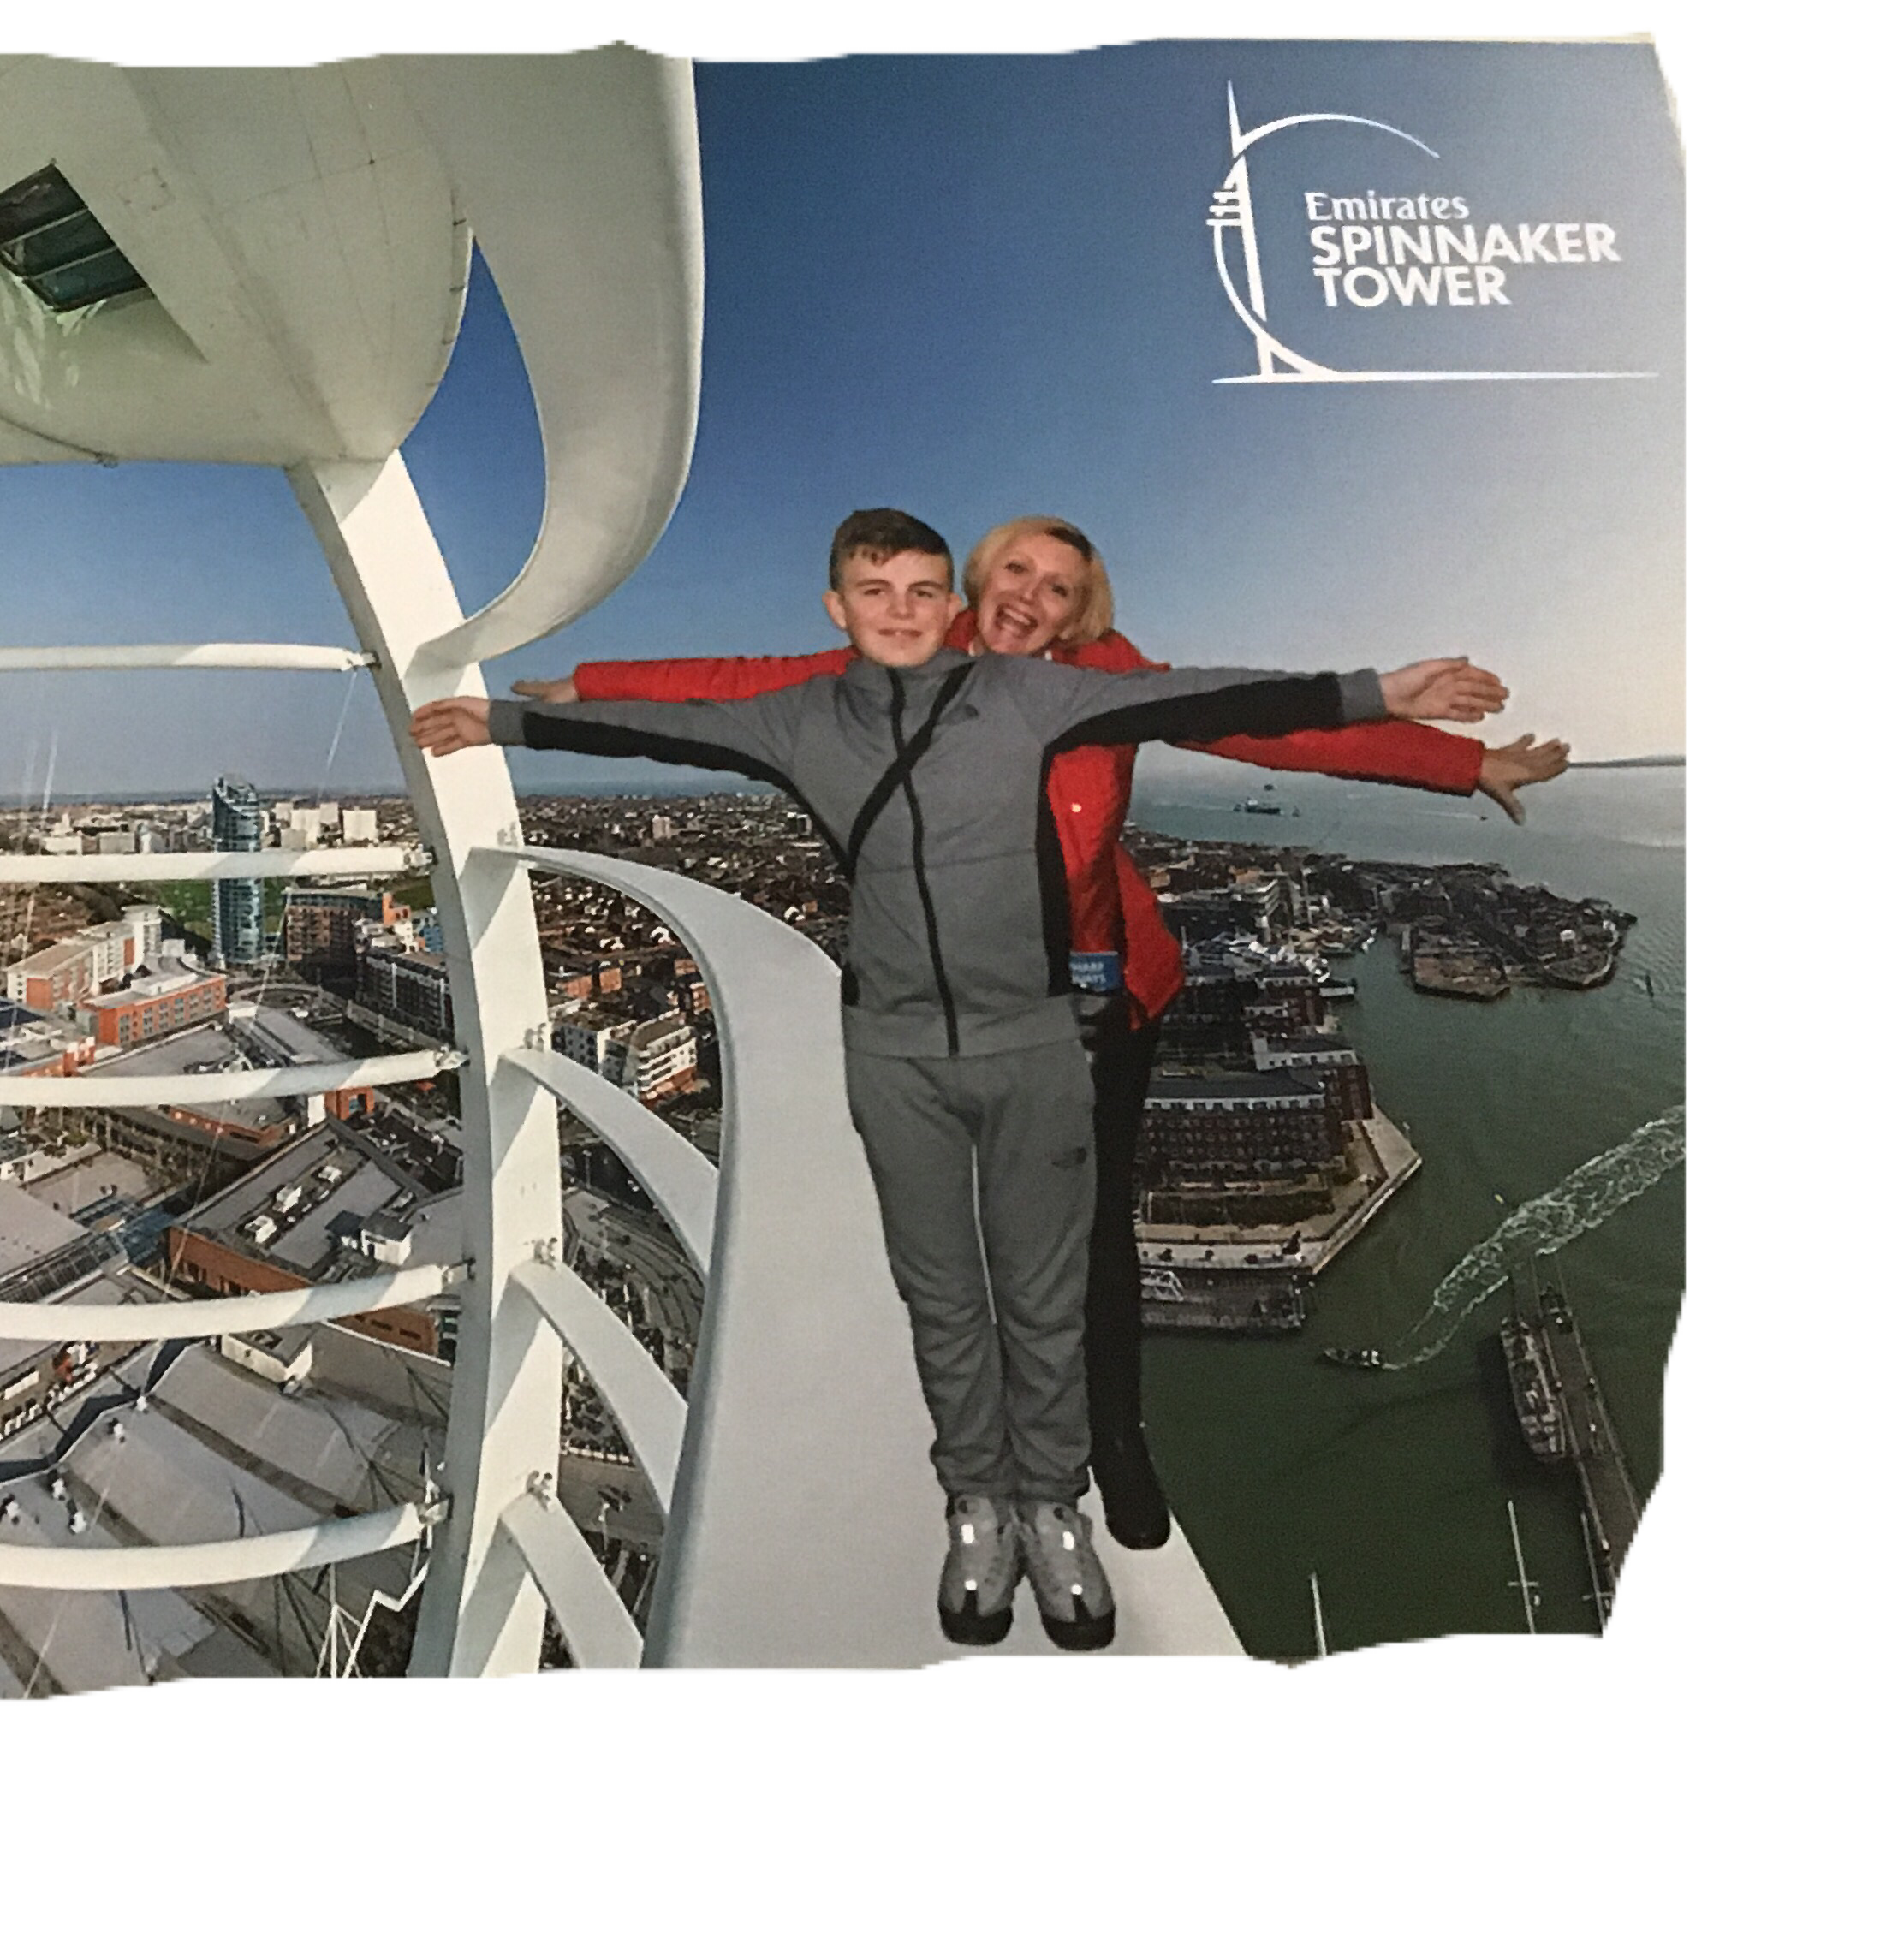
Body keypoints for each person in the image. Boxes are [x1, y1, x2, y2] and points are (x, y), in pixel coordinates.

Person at [411, 509, 1511, 1651]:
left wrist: (1459, 759)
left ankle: (1108, 1452)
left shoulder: (1094, 683)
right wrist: (578, 690)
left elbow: (1260, 718)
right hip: (942, 1017)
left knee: (1088, 1242)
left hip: (1099, 995)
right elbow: (732, 690)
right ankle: (987, 1500)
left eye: (1059, 585)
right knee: (954, 1267)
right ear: (973, 588)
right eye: (1012, 572)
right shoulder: (895, 671)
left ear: (1082, 608)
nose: (1030, 596)